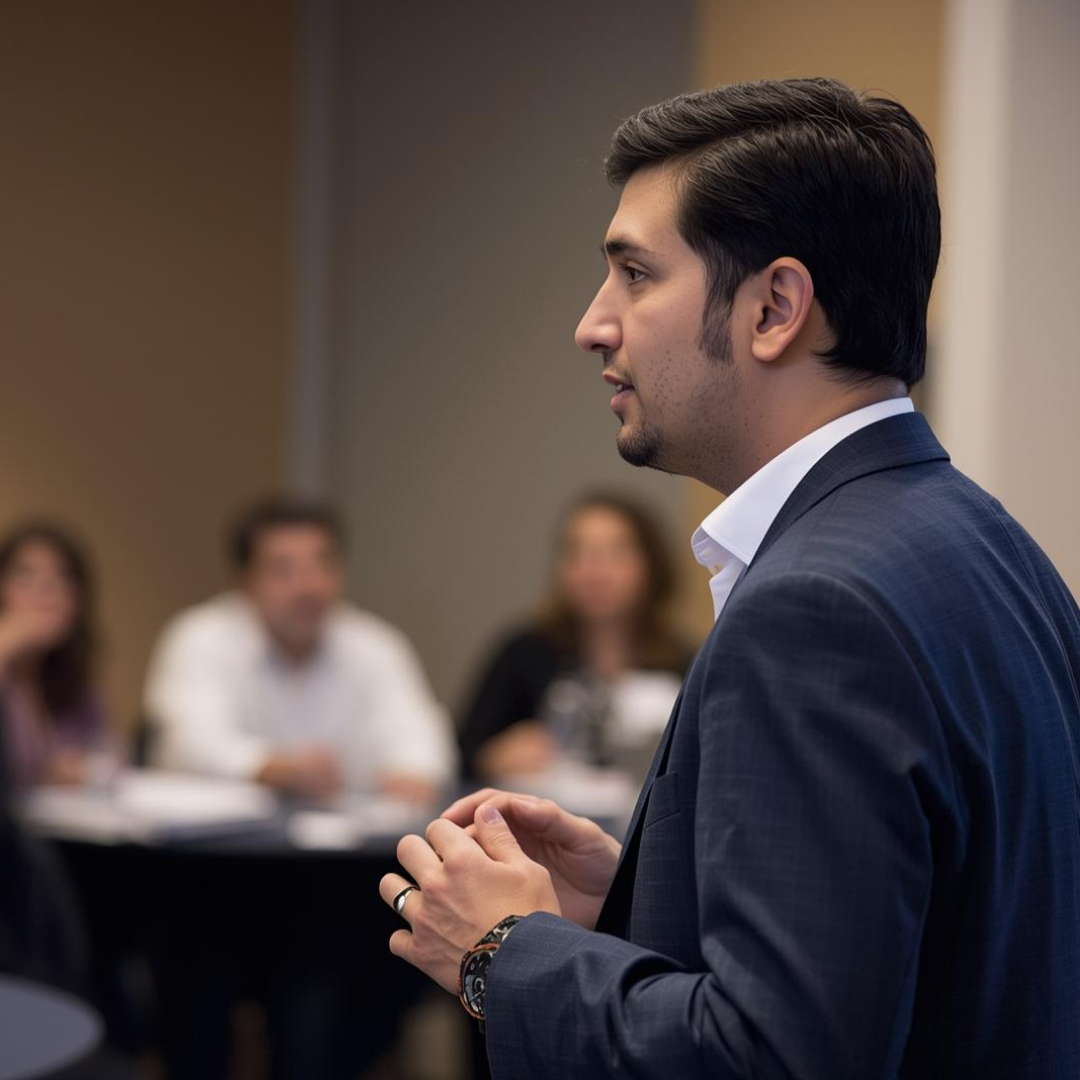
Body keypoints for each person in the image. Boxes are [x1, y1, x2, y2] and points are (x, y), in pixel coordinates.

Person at [378, 77, 1080, 1079]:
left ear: (775, 308)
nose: (593, 323)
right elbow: (925, 951)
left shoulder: (816, 608)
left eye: (633, 272)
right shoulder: (988, 545)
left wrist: (506, 956)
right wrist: (630, 911)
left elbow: (775, 1061)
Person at [145, 496, 456, 802]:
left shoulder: (374, 644)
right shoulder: (201, 638)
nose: (309, 586)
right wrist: (272, 768)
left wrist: (413, 773)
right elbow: (188, 742)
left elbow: (418, 733)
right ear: (245, 580)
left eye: (324, 564)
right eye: (283, 570)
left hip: (349, 843)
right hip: (221, 846)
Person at [460, 492, 690, 784]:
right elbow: (464, 750)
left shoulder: (685, 662)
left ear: (652, 565)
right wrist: (493, 756)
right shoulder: (524, 653)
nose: (595, 571)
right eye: (577, 553)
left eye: (615, 553)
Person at [0, 523, 111, 790]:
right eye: (26, 576)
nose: (46, 593)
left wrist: (85, 769)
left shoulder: (73, 677)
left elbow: (111, 757)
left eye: (62, 578)